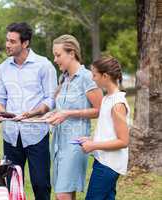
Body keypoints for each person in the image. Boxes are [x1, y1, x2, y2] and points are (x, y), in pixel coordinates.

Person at [0, 22, 57, 200]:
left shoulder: (44, 65)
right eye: (7, 40)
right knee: (12, 186)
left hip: (36, 133)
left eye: (12, 41)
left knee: (41, 184)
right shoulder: (3, 68)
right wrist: (2, 112)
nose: (7, 45)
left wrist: (33, 113)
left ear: (25, 43)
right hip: (11, 135)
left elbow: (50, 99)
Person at [45, 34, 103, 200]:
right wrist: (52, 114)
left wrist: (68, 113)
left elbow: (99, 110)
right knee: (65, 193)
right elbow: (61, 109)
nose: (55, 60)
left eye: (58, 55)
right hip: (57, 142)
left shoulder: (87, 77)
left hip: (76, 142)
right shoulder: (63, 78)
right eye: (54, 55)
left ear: (72, 53)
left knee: (62, 194)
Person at [79, 56, 130, 200]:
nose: (93, 79)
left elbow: (123, 141)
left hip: (109, 165)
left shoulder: (117, 104)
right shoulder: (108, 98)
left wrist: (93, 145)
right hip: (103, 161)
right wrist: (91, 139)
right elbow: (109, 133)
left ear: (105, 76)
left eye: (95, 75)